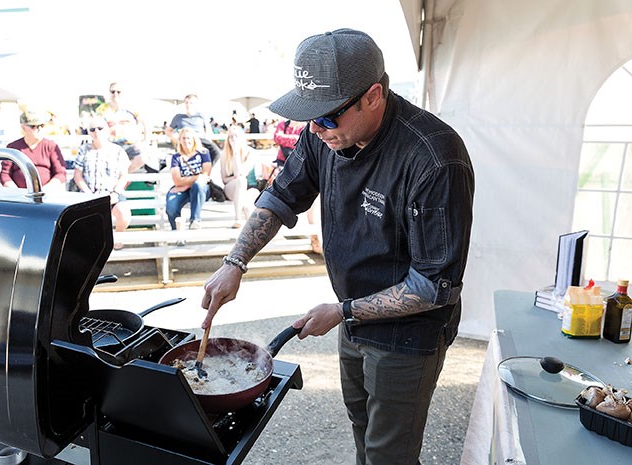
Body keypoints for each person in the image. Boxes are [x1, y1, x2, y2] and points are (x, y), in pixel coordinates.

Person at [201, 28, 474, 465]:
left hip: (408, 332)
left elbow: (433, 286)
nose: (315, 128)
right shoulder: (322, 134)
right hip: (352, 313)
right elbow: (282, 196)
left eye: (327, 116)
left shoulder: (433, 157)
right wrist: (235, 261)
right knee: (363, 430)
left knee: (390, 454)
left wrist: (343, 312)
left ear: (373, 96)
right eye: (309, 116)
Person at [72, 115, 132, 234]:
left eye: (100, 128)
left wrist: (115, 193)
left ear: (107, 129)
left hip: (112, 195)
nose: (96, 132)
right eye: (92, 129)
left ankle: (117, 239)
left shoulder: (118, 151)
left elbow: (124, 176)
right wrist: (88, 194)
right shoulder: (83, 150)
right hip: (89, 195)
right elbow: (77, 176)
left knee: (124, 215)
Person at [271, 118, 322, 253]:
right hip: (284, 166)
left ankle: (314, 237)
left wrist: (288, 139)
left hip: (302, 166)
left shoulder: (307, 126)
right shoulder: (286, 125)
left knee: (313, 204)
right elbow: (277, 138)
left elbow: (287, 139)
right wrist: (296, 140)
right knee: (280, 198)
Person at [0, 110, 67, 192]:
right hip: (18, 196)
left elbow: (61, 173)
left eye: (42, 126)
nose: (39, 129)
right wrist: (16, 191)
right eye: (34, 126)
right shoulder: (12, 147)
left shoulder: (51, 146)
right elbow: (5, 174)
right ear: (23, 127)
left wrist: (43, 191)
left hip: (47, 195)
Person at [97, 81, 148, 174]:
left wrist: (144, 141)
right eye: (112, 92)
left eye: (118, 92)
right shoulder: (102, 109)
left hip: (130, 144)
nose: (115, 94)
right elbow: (96, 125)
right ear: (109, 93)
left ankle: (120, 176)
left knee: (142, 159)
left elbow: (145, 123)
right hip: (110, 144)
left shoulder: (131, 107)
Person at [166, 127, 211, 230]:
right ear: (180, 141)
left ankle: (195, 220)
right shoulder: (176, 157)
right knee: (171, 205)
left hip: (201, 190)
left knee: (198, 185)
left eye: (189, 138)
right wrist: (196, 177)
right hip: (182, 190)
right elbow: (177, 180)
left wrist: (185, 182)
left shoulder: (204, 153)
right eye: (184, 138)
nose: (186, 141)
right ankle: (177, 233)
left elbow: (205, 176)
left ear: (194, 139)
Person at [219, 126, 260, 228]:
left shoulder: (251, 153)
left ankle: (249, 231)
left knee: (247, 202)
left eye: (236, 136)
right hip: (231, 189)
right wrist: (234, 153)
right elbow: (224, 179)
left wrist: (236, 152)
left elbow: (241, 172)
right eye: (230, 137)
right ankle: (238, 218)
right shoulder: (224, 155)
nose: (233, 139)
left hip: (250, 188)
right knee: (240, 181)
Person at [165, 94, 221, 165]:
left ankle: (206, 170)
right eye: (186, 103)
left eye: (191, 103)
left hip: (200, 139)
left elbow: (208, 130)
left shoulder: (201, 116)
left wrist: (208, 138)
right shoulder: (178, 117)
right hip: (185, 140)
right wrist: (174, 137)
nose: (188, 105)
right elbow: (168, 130)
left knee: (216, 152)